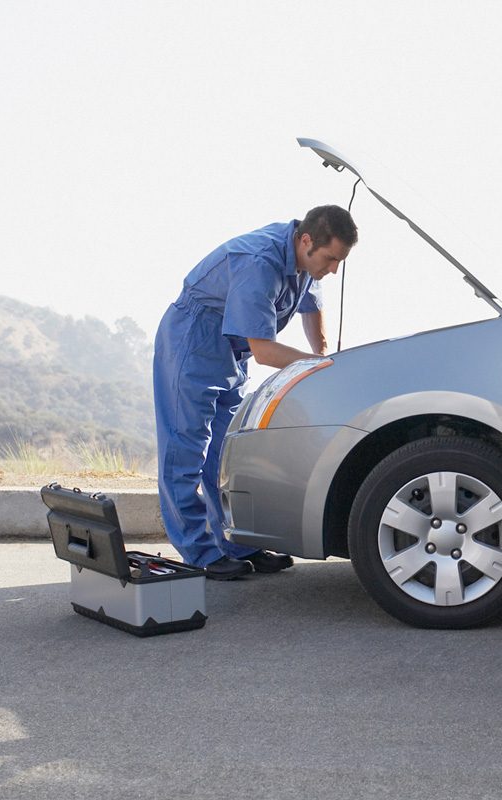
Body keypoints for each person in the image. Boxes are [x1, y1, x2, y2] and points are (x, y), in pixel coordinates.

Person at [153, 206, 358, 580]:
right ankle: (199, 552)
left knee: (226, 453)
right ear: (306, 241)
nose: (333, 270)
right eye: (331, 260)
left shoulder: (307, 260)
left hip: (233, 350)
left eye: (339, 262)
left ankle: (237, 544)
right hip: (193, 340)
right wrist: (321, 368)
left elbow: (312, 308)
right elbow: (265, 352)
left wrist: (323, 354)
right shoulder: (259, 262)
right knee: (185, 449)